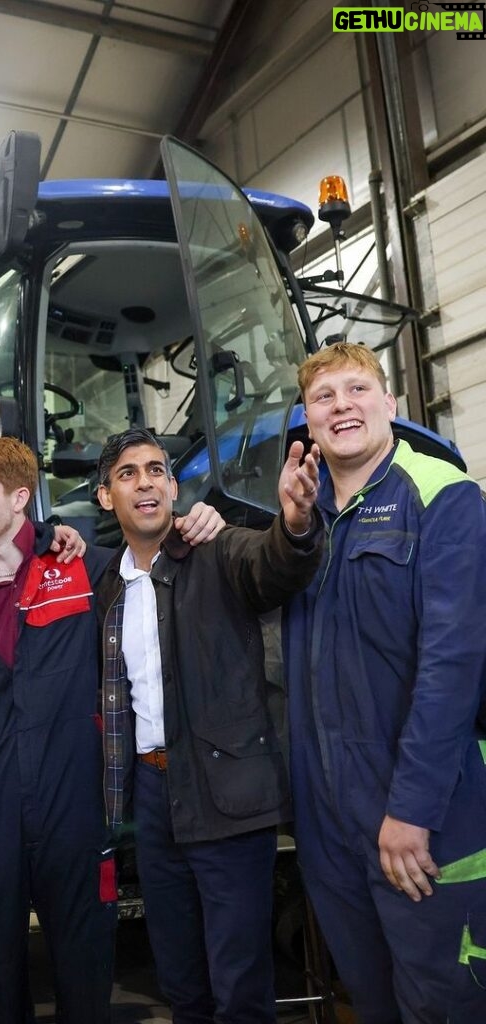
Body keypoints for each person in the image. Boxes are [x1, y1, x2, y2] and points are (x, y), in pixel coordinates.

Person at [0, 437, 224, 1023]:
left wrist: (199, 519)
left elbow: (152, 551)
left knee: (85, 959)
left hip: (75, 802)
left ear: (21, 498)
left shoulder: (83, 568)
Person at [284, 342, 486, 1023]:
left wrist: (413, 811)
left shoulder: (443, 494)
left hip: (427, 815)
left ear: (390, 404)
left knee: (443, 1001)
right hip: (331, 829)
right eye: (324, 397)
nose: (342, 405)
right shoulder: (304, 527)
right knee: (371, 1002)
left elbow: (452, 664)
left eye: (357, 389)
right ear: (308, 422)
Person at [94, 426, 323, 1024]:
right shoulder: (108, 585)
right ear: (104, 497)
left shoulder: (218, 550)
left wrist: (295, 521)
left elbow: (275, 563)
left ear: (173, 485)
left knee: (239, 981)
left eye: (155, 471)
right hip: (152, 796)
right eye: (127, 474)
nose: (145, 482)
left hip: (225, 792)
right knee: (180, 979)